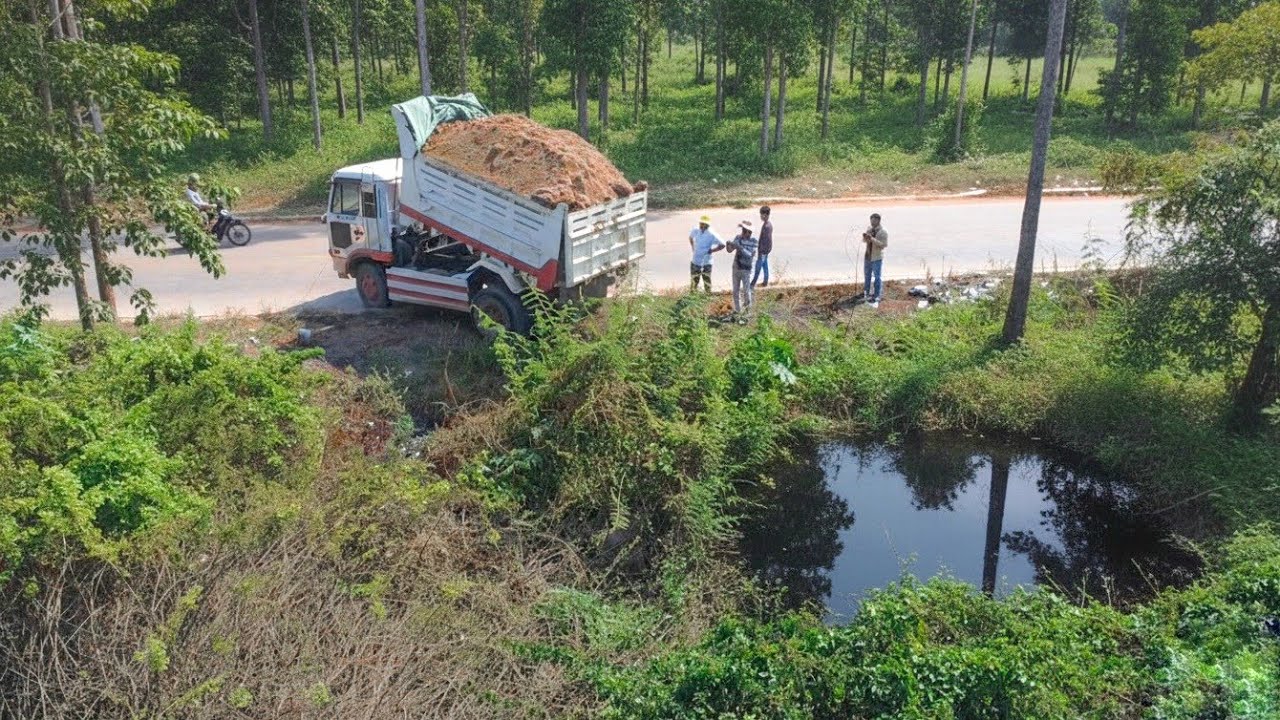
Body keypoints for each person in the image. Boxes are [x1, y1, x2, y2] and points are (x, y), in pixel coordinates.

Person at [727, 220, 759, 321]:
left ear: (750, 232)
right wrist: (728, 245)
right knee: (735, 291)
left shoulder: (754, 241)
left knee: (746, 291)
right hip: (736, 267)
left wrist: (740, 248)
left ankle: (747, 311)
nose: (746, 233)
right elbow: (730, 250)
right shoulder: (738, 238)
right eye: (744, 231)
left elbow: (750, 255)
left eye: (748, 232)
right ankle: (738, 311)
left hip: (746, 270)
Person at [688, 215, 725, 293]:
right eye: (700, 223)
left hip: (706, 262)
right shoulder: (696, 230)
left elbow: (723, 244)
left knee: (707, 281)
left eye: (703, 224)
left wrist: (712, 250)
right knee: (694, 282)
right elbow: (690, 237)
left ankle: (707, 296)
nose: (701, 225)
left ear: (707, 225)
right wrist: (693, 247)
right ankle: (693, 296)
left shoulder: (712, 234)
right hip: (695, 261)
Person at [861, 212, 888, 307]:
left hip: (876, 258)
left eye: (874, 221)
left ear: (878, 221)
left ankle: (877, 295)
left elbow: (883, 245)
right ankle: (866, 292)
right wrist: (865, 237)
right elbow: (864, 241)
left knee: (877, 277)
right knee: (867, 275)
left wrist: (872, 239)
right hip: (867, 256)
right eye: (871, 220)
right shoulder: (869, 229)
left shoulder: (883, 232)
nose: (872, 223)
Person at [752, 205, 773, 288]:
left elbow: (767, 240)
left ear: (765, 215)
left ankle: (752, 283)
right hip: (765, 250)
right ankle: (765, 282)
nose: (760, 216)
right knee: (765, 265)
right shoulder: (768, 224)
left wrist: (762, 251)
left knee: (758, 266)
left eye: (761, 214)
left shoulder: (766, 226)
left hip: (763, 251)